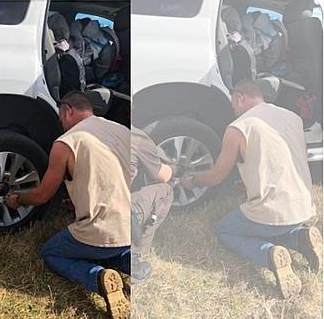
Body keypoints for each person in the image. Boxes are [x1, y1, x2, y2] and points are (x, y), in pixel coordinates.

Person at [182, 80, 322, 299]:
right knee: (277, 226)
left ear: (240, 98)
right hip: (303, 206)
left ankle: (268, 254)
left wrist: (193, 181)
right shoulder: (292, 117)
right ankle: (300, 237)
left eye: (233, 104)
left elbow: (217, 176)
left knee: (224, 230)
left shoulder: (239, 127)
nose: (233, 109)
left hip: (270, 213)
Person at [6, 91, 131, 319]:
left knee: (51, 252)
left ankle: (98, 278)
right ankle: (133, 264)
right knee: (117, 251)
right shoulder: (121, 130)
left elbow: (42, 195)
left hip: (99, 232)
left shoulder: (66, 143)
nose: (61, 123)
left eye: (61, 117)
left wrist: (18, 200)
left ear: (68, 110)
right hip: (132, 227)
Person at [130, 126, 174, 283]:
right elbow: (162, 175)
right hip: (119, 212)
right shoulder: (138, 138)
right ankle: (133, 258)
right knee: (166, 191)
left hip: (91, 204)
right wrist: (174, 169)